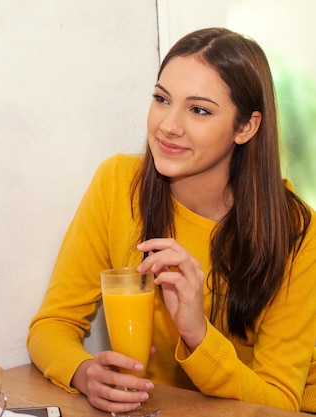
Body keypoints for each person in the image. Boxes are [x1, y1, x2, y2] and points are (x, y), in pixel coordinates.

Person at [27, 27, 316, 414]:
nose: (168, 125)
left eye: (199, 110)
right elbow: (53, 324)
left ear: (246, 127)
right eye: (162, 99)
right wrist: (83, 373)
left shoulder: (299, 231)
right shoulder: (117, 184)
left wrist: (196, 333)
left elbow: (280, 401)